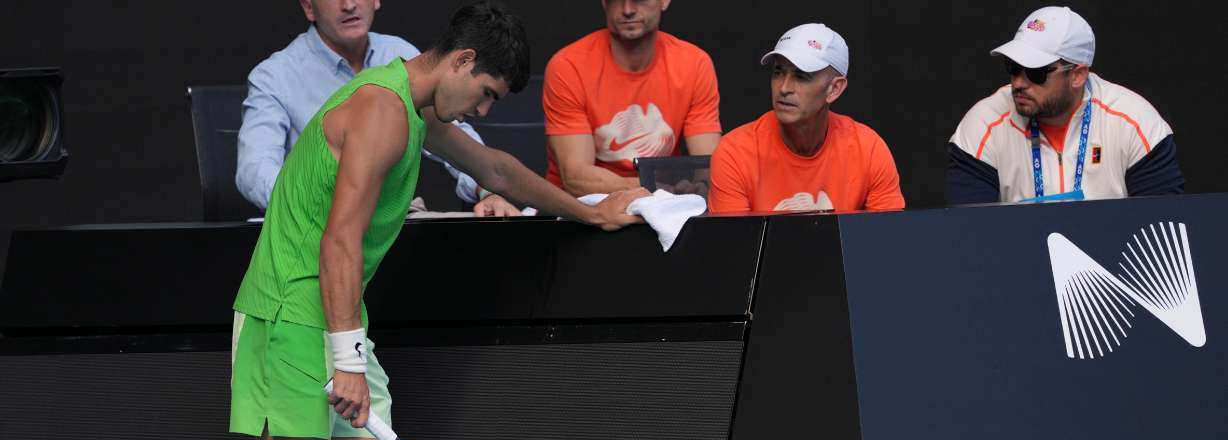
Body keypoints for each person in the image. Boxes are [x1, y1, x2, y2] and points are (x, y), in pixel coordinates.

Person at [229, 3, 646, 440]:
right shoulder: (382, 113)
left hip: (330, 308)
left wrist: (588, 211)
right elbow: (339, 241)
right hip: (287, 310)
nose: (482, 109)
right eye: (485, 93)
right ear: (459, 62)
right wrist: (346, 361)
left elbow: (499, 171)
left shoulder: (416, 108)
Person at [236, 0, 520, 217]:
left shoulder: (401, 55)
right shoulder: (274, 75)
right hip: (316, 225)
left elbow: (455, 137)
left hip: (395, 227)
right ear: (309, 7)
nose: (349, 5)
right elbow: (254, 170)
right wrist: (314, 208)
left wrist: (486, 190)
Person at [946, 6, 1184, 204]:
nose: (1018, 82)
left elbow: (1160, 227)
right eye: (1013, 67)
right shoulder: (983, 125)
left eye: (1036, 72)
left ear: (1078, 75)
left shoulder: (1135, 123)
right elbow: (969, 235)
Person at [707, 23, 905, 213]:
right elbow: (733, 247)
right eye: (778, 73)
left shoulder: (868, 149)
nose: (784, 88)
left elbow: (889, 240)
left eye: (802, 76)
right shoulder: (734, 153)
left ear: (834, 89)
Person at [542, 0, 722, 196]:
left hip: (662, 206)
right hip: (581, 209)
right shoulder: (568, 66)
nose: (627, 10)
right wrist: (662, 191)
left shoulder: (693, 64)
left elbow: (707, 164)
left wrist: (701, 187)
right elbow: (577, 179)